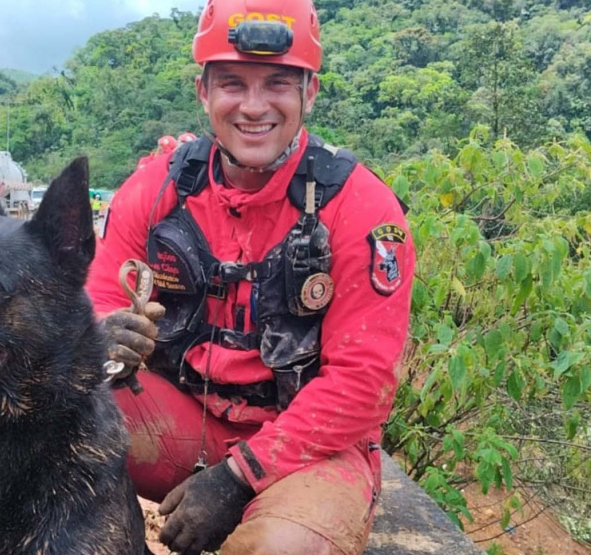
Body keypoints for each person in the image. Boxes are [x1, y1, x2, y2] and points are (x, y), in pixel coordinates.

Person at [86, 0, 416, 553]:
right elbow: (97, 295)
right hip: (184, 416)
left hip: (313, 446)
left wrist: (238, 478)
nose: (253, 106)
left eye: (279, 84)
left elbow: (363, 382)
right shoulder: (157, 189)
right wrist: (105, 333)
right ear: (203, 92)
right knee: (42, 410)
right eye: (233, 83)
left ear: (310, 92)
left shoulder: (359, 208)